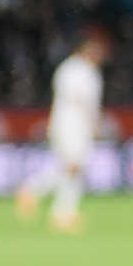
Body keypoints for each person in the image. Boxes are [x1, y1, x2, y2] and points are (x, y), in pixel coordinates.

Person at [15, 29, 108, 233]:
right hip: (71, 125)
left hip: (73, 125)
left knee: (71, 168)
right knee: (72, 166)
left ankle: (61, 212)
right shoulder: (75, 69)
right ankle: (35, 191)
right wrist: (94, 123)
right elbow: (79, 100)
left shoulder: (80, 69)